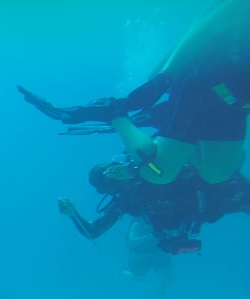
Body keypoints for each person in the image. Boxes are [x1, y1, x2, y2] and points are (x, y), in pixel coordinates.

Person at [19, 0, 250, 185]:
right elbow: (204, 27)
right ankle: (117, 115)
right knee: (158, 172)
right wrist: (163, 79)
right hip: (207, 80)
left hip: (235, 100)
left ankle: (163, 139)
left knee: (217, 174)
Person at [58, 161, 250, 299]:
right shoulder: (126, 199)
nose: (117, 176)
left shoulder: (147, 169)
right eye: (111, 180)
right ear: (108, 189)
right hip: (208, 210)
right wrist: (73, 213)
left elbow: (183, 168)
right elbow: (94, 231)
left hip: (217, 194)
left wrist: (136, 172)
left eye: (115, 170)